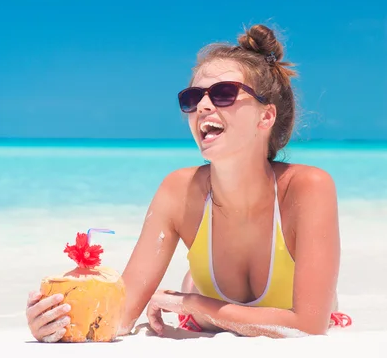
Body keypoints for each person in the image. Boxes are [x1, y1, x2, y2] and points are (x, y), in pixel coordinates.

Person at [25, 24, 352, 341]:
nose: (203, 106)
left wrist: (194, 304)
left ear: (265, 117)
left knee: (192, 289)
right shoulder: (178, 191)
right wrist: (58, 317)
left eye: (224, 94)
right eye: (193, 97)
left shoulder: (307, 189)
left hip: (207, 305)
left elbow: (309, 327)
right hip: (204, 312)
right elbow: (117, 317)